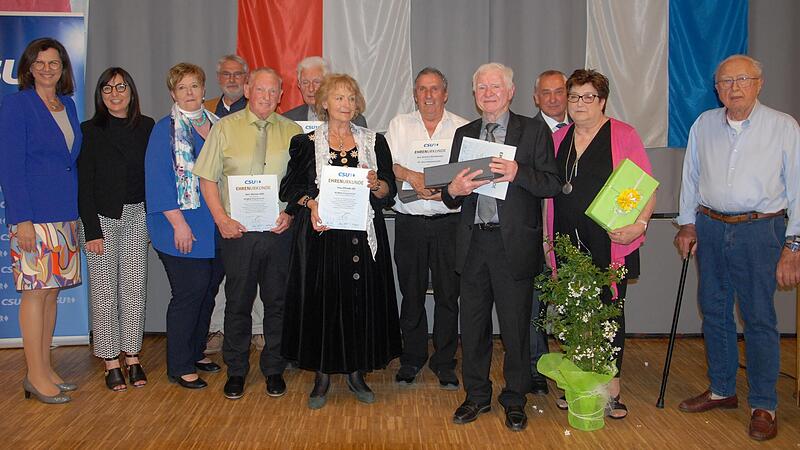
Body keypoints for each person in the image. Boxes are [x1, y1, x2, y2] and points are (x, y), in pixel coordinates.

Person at [674, 54, 800, 441]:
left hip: (760, 232)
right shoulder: (704, 124)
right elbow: (691, 176)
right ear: (717, 89)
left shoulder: (783, 127)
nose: (733, 88)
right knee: (713, 311)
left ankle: (764, 403)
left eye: (742, 79)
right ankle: (722, 390)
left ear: (758, 83)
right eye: (725, 82)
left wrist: (793, 245)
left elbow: (797, 188)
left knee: (759, 317)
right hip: (710, 228)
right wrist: (687, 224)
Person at [442, 63, 561, 431]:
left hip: (514, 245)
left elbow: (552, 184)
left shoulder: (534, 130)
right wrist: (453, 191)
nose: (488, 92)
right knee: (473, 328)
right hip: (474, 243)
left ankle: (515, 398)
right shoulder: (464, 133)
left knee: (515, 330)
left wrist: (517, 173)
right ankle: (476, 396)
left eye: (496, 86)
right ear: (474, 94)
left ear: (511, 92)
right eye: (481, 87)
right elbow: (451, 193)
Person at [280, 73, 401, 409]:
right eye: (338, 98)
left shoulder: (374, 142)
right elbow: (289, 189)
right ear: (324, 104)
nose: (346, 104)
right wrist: (312, 202)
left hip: (363, 238)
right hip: (322, 238)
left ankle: (355, 371)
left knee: (360, 302)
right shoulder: (305, 143)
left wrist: (377, 183)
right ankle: (321, 375)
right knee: (323, 304)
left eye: (350, 98)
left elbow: (389, 191)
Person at [545, 68, 656, 419]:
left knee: (608, 315)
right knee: (572, 314)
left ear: (602, 100)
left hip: (608, 241)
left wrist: (638, 225)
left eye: (587, 96)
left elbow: (645, 187)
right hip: (565, 241)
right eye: (573, 96)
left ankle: (611, 390)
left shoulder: (623, 134)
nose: (579, 103)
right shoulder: (558, 138)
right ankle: (577, 384)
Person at [194, 68, 301, 400]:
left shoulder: (293, 131)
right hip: (237, 233)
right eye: (260, 90)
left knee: (277, 304)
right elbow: (207, 178)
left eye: (273, 92)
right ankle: (237, 370)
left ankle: (273, 369)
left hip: (278, 232)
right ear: (248, 90)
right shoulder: (224, 128)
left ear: (280, 95)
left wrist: (291, 213)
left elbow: (301, 184)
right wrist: (221, 219)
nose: (266, 97)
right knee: (237, 303)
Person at [0, 37, 81, 404]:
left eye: (54, 63)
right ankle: (34, 375)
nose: (47, 69)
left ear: (63, 68)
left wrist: (74, 215)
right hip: (33, 217)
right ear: (29, 68)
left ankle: (45, 368)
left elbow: (68, 163)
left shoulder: (67, 105)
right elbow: (11, 167)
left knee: (50, 293)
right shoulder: (17, 105)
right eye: (40, 63)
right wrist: (22, 220)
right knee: (35, 294)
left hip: (63, 214)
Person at [386, 67, 467, 389]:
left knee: (449, 296)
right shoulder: (399, 125)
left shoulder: (462, 127)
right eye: (422, 89)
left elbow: (468, 170)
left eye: (435, 89)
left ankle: (445, 361)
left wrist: (445, 186)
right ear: (414, 94)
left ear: (445, 93)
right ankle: (412, 358)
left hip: (450, 223)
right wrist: (411, 175)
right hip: (410, 223)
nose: (429, 95)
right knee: (411, 294)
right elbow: (387, 163)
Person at [145, 62, 224, 390]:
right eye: (182, 88)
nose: (190, 93)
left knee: (207, 292)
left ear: (204, 90)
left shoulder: (219, 125)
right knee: (189, 293)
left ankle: (195, 351)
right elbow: (158, 181)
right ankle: (178, 364)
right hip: (179, 226)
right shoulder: (165, 129)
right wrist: (179, 225)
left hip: (216, 226)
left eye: (195, 86)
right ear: (173, 93)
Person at [78, 67, 154, 391]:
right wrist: (92, 231)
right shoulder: (89, 130)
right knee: (105, 294)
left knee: (135, 291)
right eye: (107, 89)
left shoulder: (147, 127)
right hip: (101, 220)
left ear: (131, 91)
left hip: (138, 215)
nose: (114, 93)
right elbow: (84, 186)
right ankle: (110, 360)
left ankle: (132, 355)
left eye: (120, 87)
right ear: (100, 95)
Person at [201, 54, 265, 356]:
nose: (231, 79)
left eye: (238, 74)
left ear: (247, 79)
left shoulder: (257, 111)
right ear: (218, 78)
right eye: (226, 74)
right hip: (217, 209)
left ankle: (257, 331)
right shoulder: (203, 112)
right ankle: (216, 329)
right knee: (221, 275)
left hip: (257, 208)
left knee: (253, 275)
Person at [529, 69, 569, 396]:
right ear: (536, 97)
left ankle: (577, 367)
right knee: (535, 308)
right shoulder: (525, 132)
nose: (554, 98)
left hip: (577, 234)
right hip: (537, 232)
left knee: (574, 304)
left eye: (560, 91)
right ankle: (537, 369)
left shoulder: (586, 129)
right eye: (547, 92)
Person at [282, 56, 367, 127]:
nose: (311, 88)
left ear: (327, 84)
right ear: (299, 86)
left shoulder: (354, 120)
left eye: (316, 82)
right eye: (305, 82)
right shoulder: (288, 120)